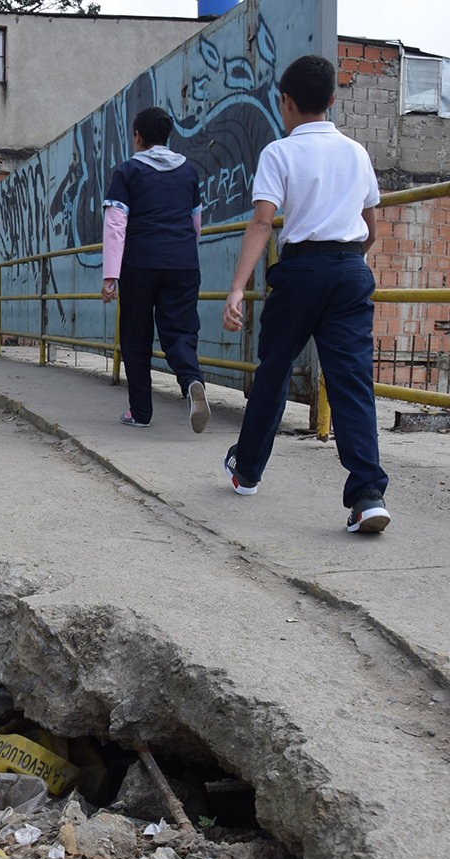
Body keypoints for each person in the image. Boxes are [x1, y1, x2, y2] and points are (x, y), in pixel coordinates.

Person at [222, 54, 388, 533]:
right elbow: (370, 227)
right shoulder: (356, 152)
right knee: (352, 382)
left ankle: (248, 472)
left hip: (299, 272)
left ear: (285, 103)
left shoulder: (279, 152)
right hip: (350, 269)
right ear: (332, 101)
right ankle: (367, 494)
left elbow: (261, 222)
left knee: (273, 372)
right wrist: (349, 263)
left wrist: (237, 289)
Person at [102, 106, 209, 432]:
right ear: (167, 136)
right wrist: (184, 253)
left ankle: (141, 412)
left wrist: (111, 275)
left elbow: (116, 224)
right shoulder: (188, 171)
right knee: (179, 333)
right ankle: (192, 380)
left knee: (136, 337)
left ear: (138, 137)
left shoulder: (127, 171)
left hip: (139, 263)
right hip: (183, 263)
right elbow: (195, 222)